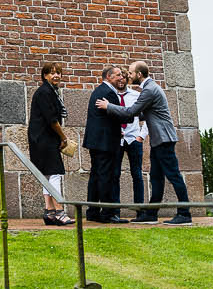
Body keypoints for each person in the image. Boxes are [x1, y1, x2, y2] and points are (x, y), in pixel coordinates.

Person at [95, 61, 192, 225]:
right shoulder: (149, 89)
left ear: (139, 74)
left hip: (164, 139)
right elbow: (141, 114)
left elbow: (131, 112)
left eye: (131, 73)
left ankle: (184, 213)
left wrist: (108, 106)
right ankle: (151, 214)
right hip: (158, 140)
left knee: (173, 175)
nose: (129, 76)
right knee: (156, 177)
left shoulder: (149, 90)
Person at [27, 62, 73, 226]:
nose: (56, 76)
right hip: (44, 138)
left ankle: (49, 212)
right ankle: (60, 212)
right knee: (55, 173)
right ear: (45, 75)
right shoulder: (45, 92)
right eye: (52, 73)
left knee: (47, 174)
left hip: (40, 138)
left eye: (59, 73)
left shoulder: (50, 91)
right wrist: (63, 137)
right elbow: (52, 120)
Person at [82, 65, 128, 223]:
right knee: (105, 177)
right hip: (105, 142)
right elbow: (121, 116)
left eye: (121, 75)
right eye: (118, 75)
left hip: (96, 140)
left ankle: (92, 211)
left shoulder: (98, 90)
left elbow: (106, 118)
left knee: (95, 176)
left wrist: (116, 129)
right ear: (109, 77)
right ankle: (107, 213)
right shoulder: (109, 93)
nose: (121, 78)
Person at [116, 67, 152, 222]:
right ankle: (114, 212)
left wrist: (141, 136)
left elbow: (150, 117)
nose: (122, 79)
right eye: (119, 77)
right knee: (114, 175)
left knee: (137, 175)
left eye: (125, 77)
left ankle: (140, 212)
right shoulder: (110, 96)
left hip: (133, 140)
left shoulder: (137, 96)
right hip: (117, 141)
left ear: (128, 79)